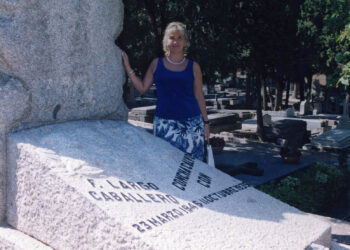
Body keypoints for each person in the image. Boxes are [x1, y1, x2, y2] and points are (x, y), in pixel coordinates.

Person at [122, 21, 210, 161]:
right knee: (167, 166)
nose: (176, 41)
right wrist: (128, 67)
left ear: (185, 41)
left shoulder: (194, 67)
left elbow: (199, 96)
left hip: (192, 125)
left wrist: (206, 124)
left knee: (193, 168)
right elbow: (142, 88)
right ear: (166, 41)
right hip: (164, 124)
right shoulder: (156, 64)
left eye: (180, 37)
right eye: (172, 37)